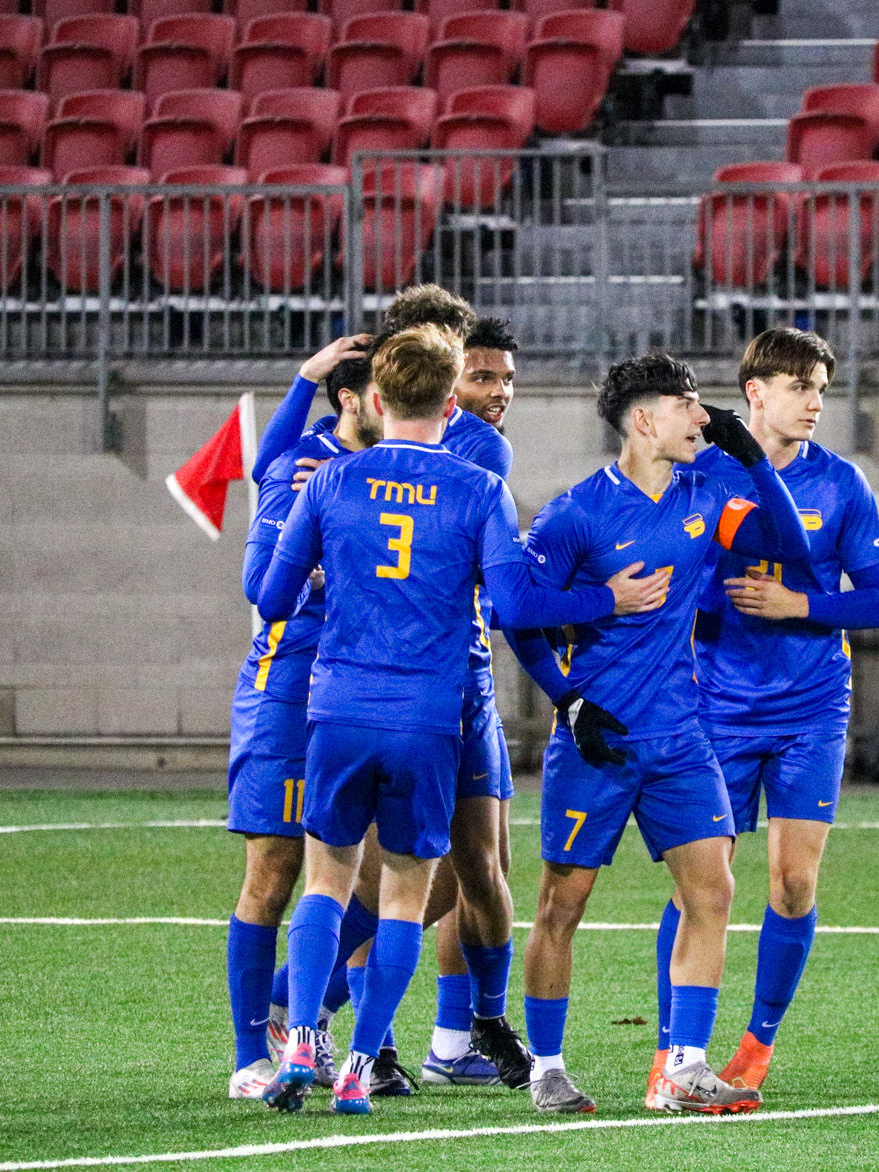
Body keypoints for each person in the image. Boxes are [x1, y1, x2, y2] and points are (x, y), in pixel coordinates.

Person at [254, 326, 666, 1116]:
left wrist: (318, 573)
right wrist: (604, 600)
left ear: (375, 400)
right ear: (451, 404)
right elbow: (513, 607)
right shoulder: (480, 490)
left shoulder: (330, 481)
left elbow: (271, 600)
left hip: (338, 707)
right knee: (410, 894)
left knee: (328, 881)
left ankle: (301, 1035)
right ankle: (361, 1065)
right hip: (428, 717)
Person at [504, 352, 813, 1117]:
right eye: (687, 405)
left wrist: (755, 463)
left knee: (713, 889)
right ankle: (547, 1065)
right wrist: (568, 699)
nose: (701, 417)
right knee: (560, 906)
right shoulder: (576, 512)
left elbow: (794, 552)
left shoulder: (706, 497)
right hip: (597, 738)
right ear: (645, 420)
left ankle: (685, 1065)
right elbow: (518, 612)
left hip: (680, 737)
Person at [652, 328, 879, 1101]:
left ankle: (756, 1044)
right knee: (700, 885)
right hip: (717, 706)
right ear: (755, 392)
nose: (816, 401)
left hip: (812, 706)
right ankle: (674, 1052)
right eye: (801, 386)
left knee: (792, 882)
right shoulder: (704, 475)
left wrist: (802, 604)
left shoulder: (843, 484)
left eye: (821, 387)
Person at [221, 336, 378, 1100]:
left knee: (406, 879)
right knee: (276, 871)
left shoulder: (403, 468)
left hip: (371, 691)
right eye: (384, 389)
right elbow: (261, 581)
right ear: (351, 399)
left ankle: (295, 1002)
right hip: (292, 687)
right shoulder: (302, 469)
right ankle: (254, 1051)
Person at [423, 312, 523, 1086]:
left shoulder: (344, 448)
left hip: (390, 678)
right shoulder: (481, 454)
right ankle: (308, 1002)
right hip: (440, 684)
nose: (499, 393)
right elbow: (512, 592)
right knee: (426, 870)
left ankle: (447, 1043)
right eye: (482, 376)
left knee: (465, 870)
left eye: (507, 379)